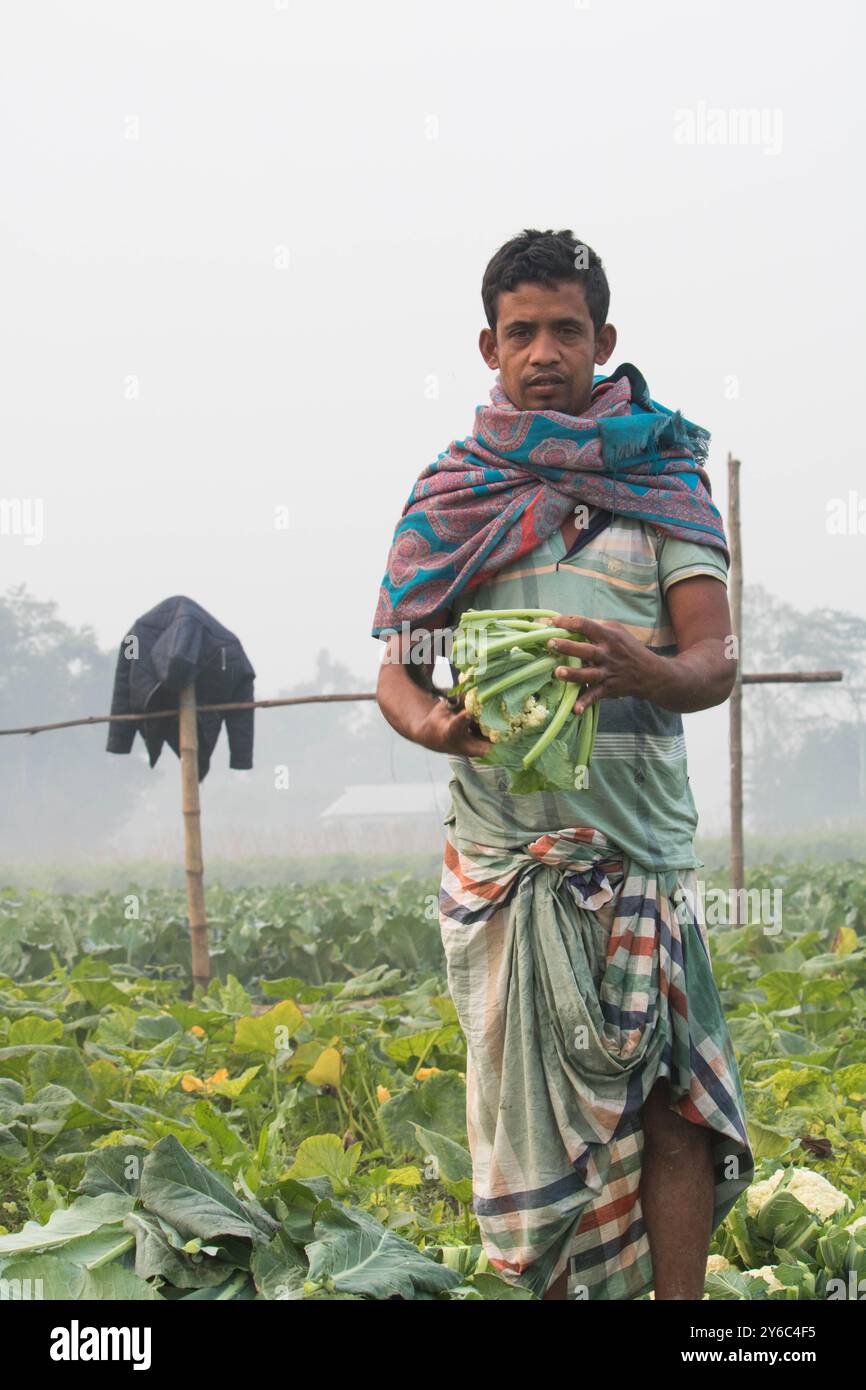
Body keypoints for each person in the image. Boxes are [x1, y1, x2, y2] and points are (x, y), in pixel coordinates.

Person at [373, 228, 753, 1301]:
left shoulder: (664, 477)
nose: (543, 350)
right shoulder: (454, 491)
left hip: (640, 844)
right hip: (506, 855)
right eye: (521, 331)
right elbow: (398, 674)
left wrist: (645, 666)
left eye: (565, 329)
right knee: (525, 1112)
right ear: (487, 346)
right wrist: (437, 726)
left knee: (671, 1098)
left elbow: (714, 657)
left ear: (604, 339)